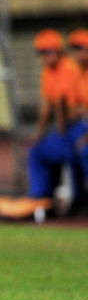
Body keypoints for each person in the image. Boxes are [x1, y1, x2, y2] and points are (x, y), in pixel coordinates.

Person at [26, 29, 84, 210]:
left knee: (80, 152)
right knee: (37, 152)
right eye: (41, 52)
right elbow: (48, 104)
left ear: (58, 51)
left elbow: (63, 104)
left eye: (48, 51)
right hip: (66, 129)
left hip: (77, 127)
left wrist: (62, 129)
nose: (44, 57)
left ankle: (78, 199)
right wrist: (39, 133)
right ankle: (41, 200)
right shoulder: (48, 72)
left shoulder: (69, 68)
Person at [68, 29, 88, 211]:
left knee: (84, 149)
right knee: (70, 147)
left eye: (80, 48)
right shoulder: (78, 74)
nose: (76, 53)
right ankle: (78, 199)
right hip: (81, 126)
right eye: (74, 49)